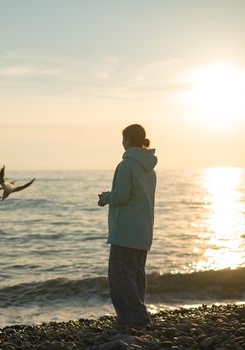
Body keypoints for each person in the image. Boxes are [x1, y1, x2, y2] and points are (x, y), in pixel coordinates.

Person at [98, 123, 157, 327]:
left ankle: (134, 318)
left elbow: (122, 196)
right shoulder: (149, 168)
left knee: (121, 278)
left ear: (128, 140)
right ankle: (135, 316)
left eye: (123, 139)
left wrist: (106, 198)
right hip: (143, 231)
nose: (122, 143)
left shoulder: (127, 165)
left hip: (125, 232)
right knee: (136, 277)